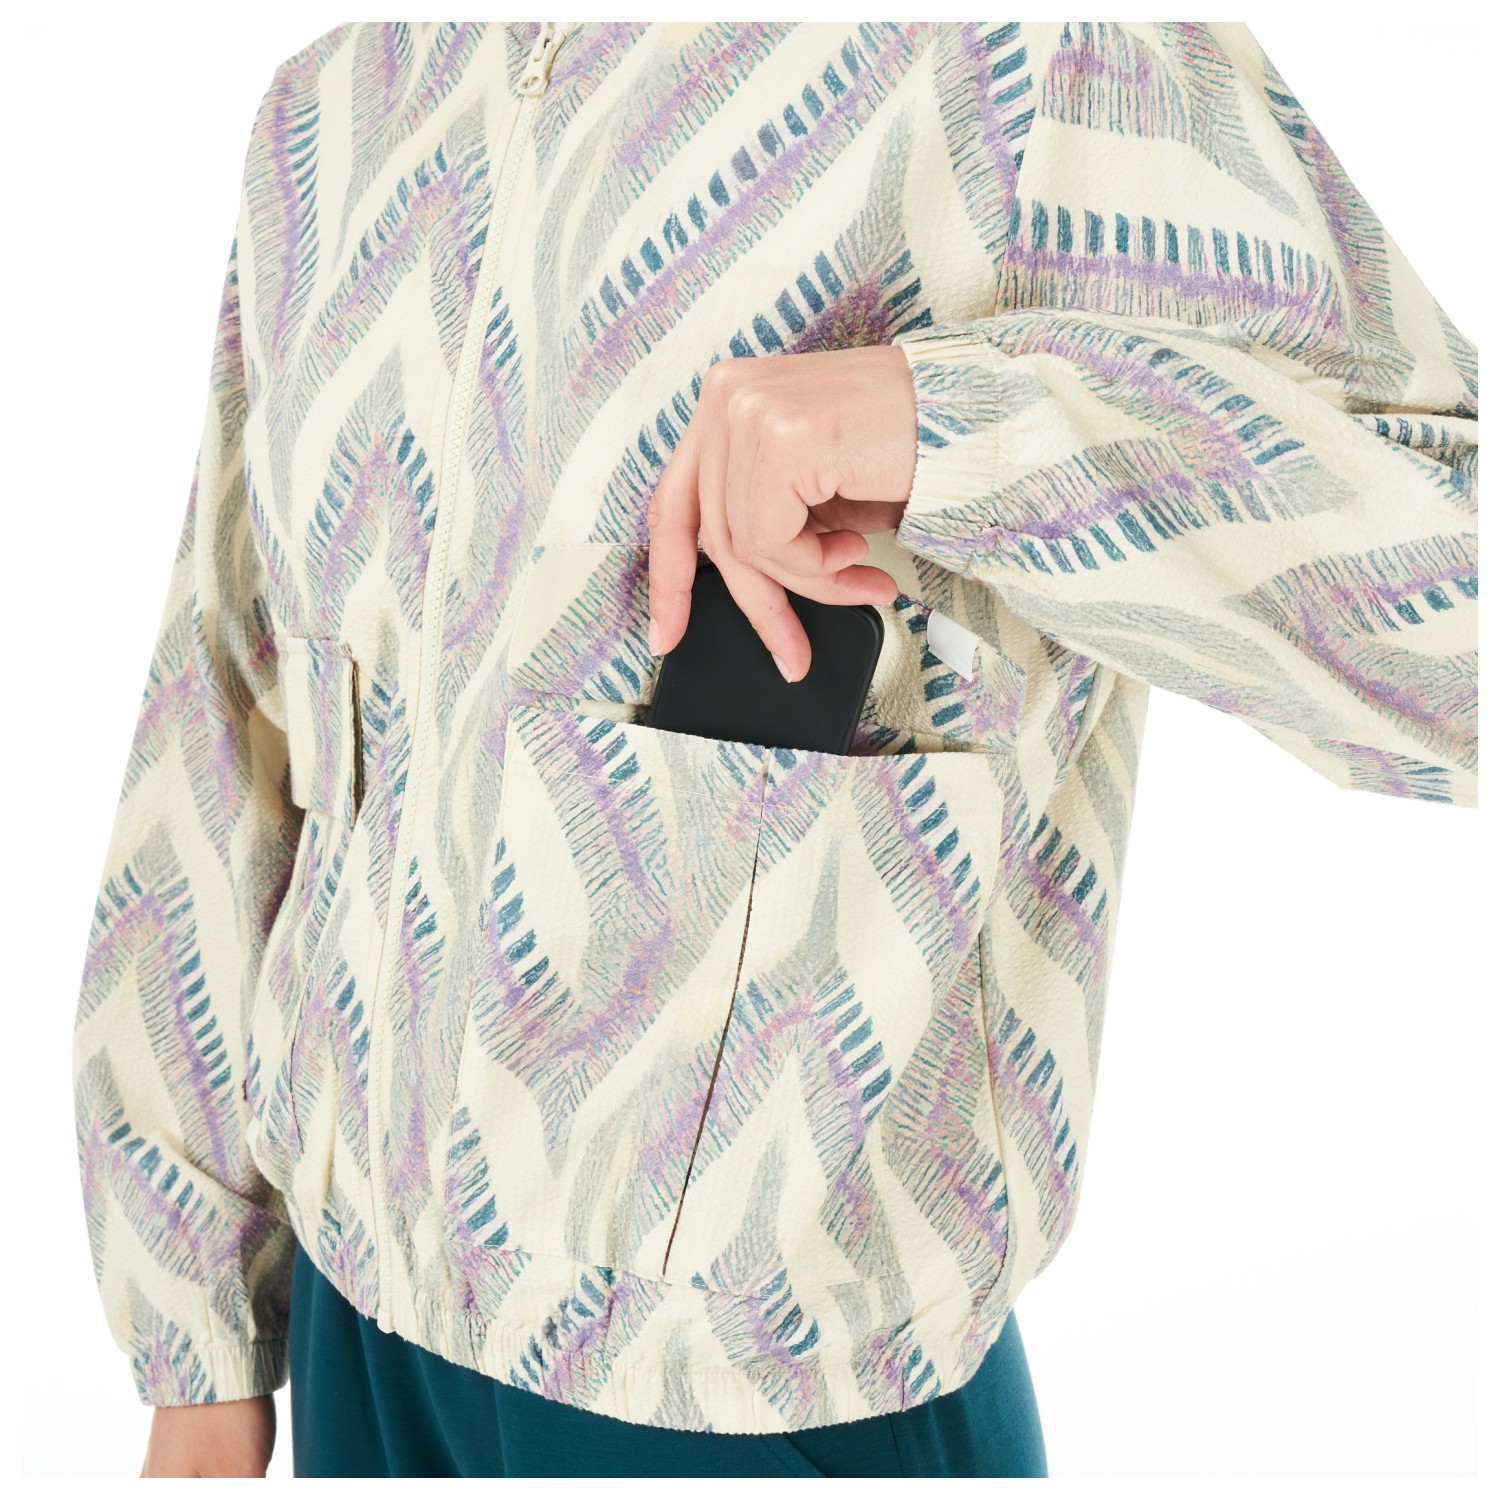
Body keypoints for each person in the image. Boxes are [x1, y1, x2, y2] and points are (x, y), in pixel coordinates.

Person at [74, 21, 1477, 1479]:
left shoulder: (1036, 59)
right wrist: (195, 1339)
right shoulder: (338, 100)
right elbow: (228, 699)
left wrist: (962, 435)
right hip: (355, 1337)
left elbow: (1458, 606)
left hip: (765, 1387)